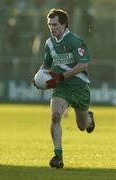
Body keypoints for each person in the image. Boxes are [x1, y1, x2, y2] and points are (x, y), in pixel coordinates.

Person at [33, 8, 95, 168]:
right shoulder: (49, 43)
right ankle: (58, 157)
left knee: (83, 126)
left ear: (64, 24)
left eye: (55, 25)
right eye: (49, 25)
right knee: (55, 116)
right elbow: (46, 65)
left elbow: (83, 65)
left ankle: (89, 118)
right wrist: (38, 77)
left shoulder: (75, 41)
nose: (52, 28)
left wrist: (61, 76)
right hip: (62, 88)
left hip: (79, 87)